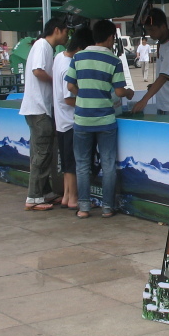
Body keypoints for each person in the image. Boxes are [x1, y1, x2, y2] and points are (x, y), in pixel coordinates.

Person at [67, 19, 134, 218]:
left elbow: (70, 86)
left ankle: (84, 208)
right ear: (111, 37)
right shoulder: (114, 60)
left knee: (82, 164)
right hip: (105, 119)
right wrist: (129, 92)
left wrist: (85, 95)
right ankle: (107, 207)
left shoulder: (78, 57)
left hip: (82, 120)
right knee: (108, 164)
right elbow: (120, 91)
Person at [19, 18, 69, 211]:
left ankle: (44, 191)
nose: (67, 35)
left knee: (43, 153)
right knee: (41, 154)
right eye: (66, 31)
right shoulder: (42, 45)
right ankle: (33, 197)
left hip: (39, 108)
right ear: (57, 30)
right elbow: (38, 71)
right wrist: (56, 82)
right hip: (38, 108)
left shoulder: (46, 47)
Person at [53, 25, 94, 211]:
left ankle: (67, 196)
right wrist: (89, 103)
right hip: (71, 121)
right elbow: (69, 98)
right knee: (75, 163)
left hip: (61, 121)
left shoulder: (59, 57)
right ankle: (74, 198)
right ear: (81, 47)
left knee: (68, 163)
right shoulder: (68, 66)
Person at [131, 8, 169, 115]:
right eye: (148, 30)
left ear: (163, 27)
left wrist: (144, 100)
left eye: (152, 30)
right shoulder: (162, 43)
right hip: (164, 103)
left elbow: (163, 77)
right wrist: (154, 85)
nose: (150, 34)